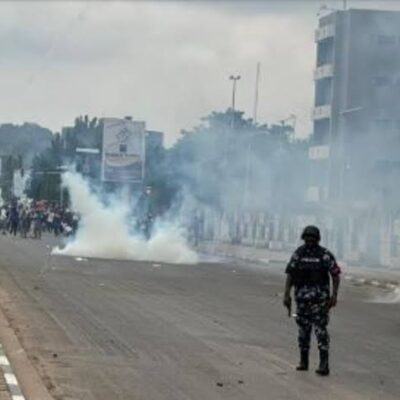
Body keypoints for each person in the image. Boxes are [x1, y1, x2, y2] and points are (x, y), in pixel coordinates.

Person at [283, 225, 341, 376]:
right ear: (303, 238)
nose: (309, 240)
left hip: (319, 301)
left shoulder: (325, 255)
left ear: (317, 239)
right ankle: (304, 361)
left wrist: (334, 295)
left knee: (320, 330)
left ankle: (324, 363)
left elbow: (335, 275)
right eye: (307, 237)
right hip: (302, 300)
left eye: (312, 238)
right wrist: (286, 294)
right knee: (303, 331)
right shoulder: (299, 254)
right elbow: (290, 273)